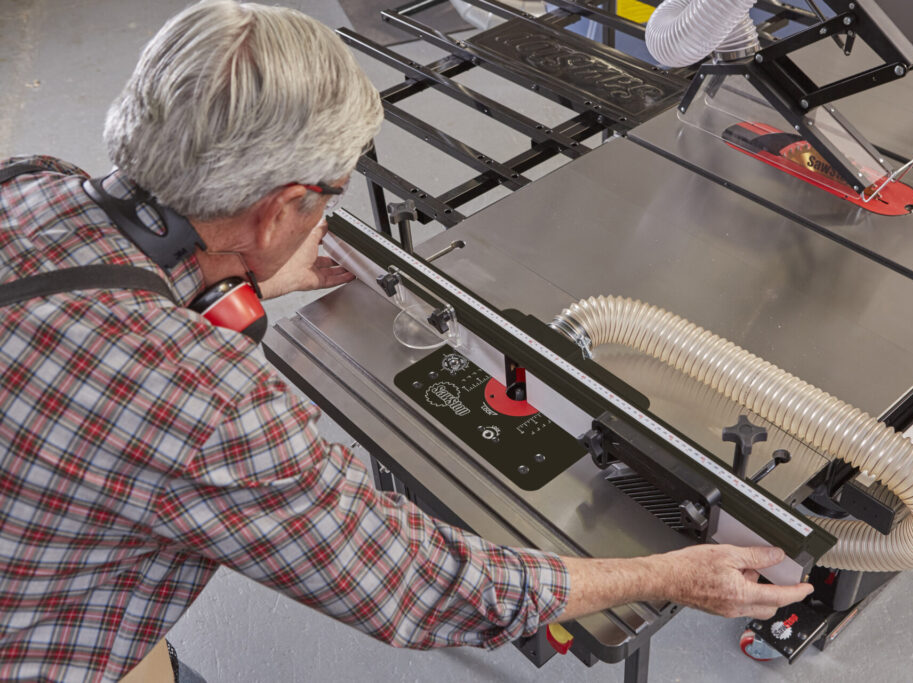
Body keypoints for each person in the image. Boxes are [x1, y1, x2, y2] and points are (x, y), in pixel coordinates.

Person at [0, 1, 812, 681]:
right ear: (278, 210)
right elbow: (416, 581)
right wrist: (671, 573)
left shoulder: (27, 183)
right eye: (327, 196)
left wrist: (244, 276)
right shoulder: (213, 408)